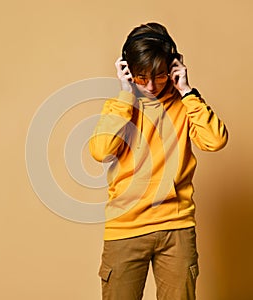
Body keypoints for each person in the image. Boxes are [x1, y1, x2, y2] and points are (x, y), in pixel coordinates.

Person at [89, 22, 228, 300]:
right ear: (128, 71)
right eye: (141, 77)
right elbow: (101, 150)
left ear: (173, 67)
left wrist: (187, 91)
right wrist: (127, 94)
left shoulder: (184, 104)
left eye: (160, 75)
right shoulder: (120, 106)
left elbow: (215, 141)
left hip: (176, 227)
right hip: (126, 229)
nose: (151, 86)